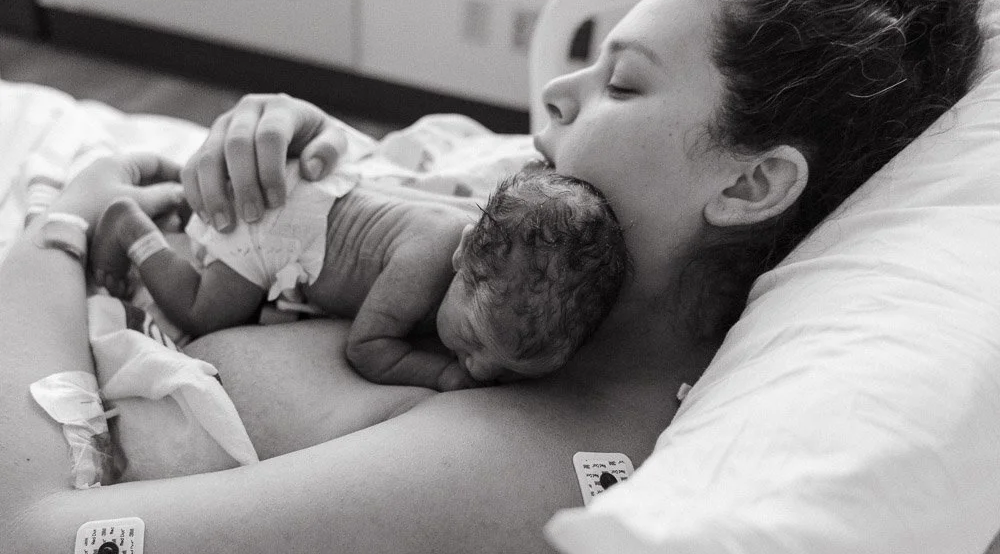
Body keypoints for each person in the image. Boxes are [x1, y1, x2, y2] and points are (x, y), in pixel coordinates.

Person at [0, 0, 986, 554]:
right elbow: (365, 210)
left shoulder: (526, 467)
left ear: (753, 181)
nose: (554, 93)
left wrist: (60, 223)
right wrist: (294, 153)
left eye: (622, 81)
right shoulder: (532, 263)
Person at [91, 168, 630, 389]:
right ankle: (129, 226)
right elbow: (367, 346)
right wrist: (442, 375)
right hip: (279, 230)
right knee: (202, 310)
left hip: (322, 197)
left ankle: (176, 202)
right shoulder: (424, 263)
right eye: (470, 343)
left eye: (507, 367)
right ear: (461, 259)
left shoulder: (491, 265)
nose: (482, 369)